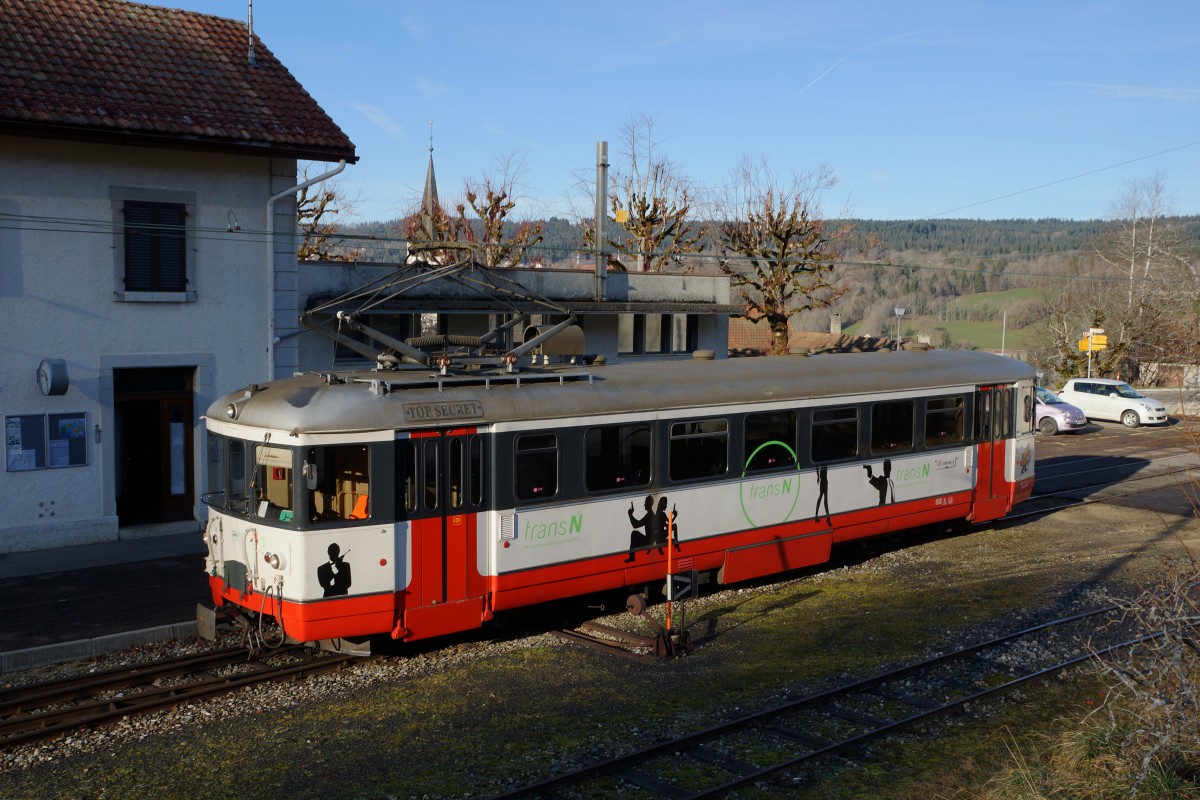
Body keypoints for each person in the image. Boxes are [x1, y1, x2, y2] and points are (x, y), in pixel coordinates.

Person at [626, 495, 657, 562]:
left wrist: (630, 514)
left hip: (648, 541)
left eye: (645, 503)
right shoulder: (651, 514)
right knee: (635, 533)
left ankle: (632, 557)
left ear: (649, 504)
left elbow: (636, 525)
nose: (644, 504)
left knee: (634, 534)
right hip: (650, 541)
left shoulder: (649, 515)